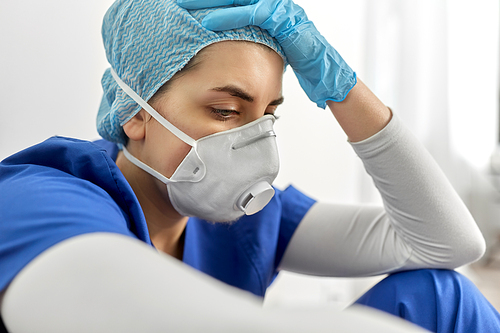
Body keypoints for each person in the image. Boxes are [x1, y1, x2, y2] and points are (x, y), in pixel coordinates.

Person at [0, 0, 499, 332]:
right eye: (225, 111)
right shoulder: (43, 195)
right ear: (135, 113)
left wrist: (341, 86)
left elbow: (448, 243)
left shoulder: (247, 219)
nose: (255, 142)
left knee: (442, 295)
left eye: (267, 115)